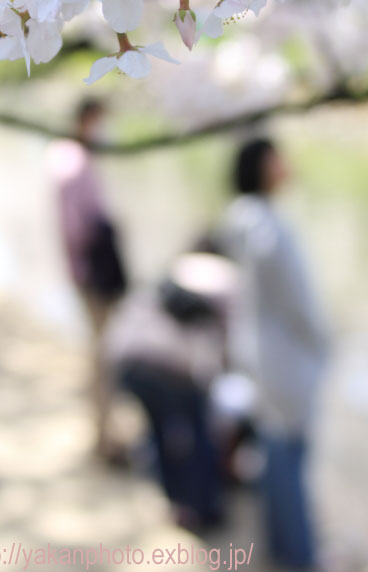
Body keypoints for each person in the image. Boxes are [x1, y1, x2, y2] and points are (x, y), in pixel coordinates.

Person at [223, 137, 330, 570]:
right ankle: (300, 555)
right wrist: (324, 345)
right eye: (277, 157)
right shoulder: (270, 229)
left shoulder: (240, 219)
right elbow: (300, 304)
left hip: (258, 355)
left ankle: (277, 546)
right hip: (285, 361)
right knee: (290, 461)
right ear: (263, 167)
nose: (286, 163)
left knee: (273, 453)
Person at [103, 252, 237, 530]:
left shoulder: (178, 267)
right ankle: (206, 508)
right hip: (167, 368)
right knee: (199, 436)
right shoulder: (227, 282)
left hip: (127, 362)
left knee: (159, 431)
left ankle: (175, 501)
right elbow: (219, 348)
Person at [47, 98, 127, 460]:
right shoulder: (75, 164)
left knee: (100, 350)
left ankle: (105, 430)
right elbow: (76, 229)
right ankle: (103, 435)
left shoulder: (70, 159)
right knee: (103, 354)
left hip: (87, 272)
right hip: (93, 275)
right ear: (87, 120)